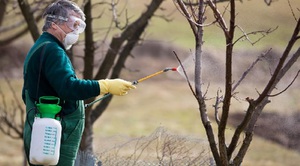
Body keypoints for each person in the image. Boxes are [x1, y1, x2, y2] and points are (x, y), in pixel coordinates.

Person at [22, 0, 136, 165]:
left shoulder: (42, 47)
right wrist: (105, 85)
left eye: (79, 26)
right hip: (52, 138)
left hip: (45, 134)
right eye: (73, 25)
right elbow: (69, 87)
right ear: (54, 24)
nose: (76, 31)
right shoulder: (53, 51)